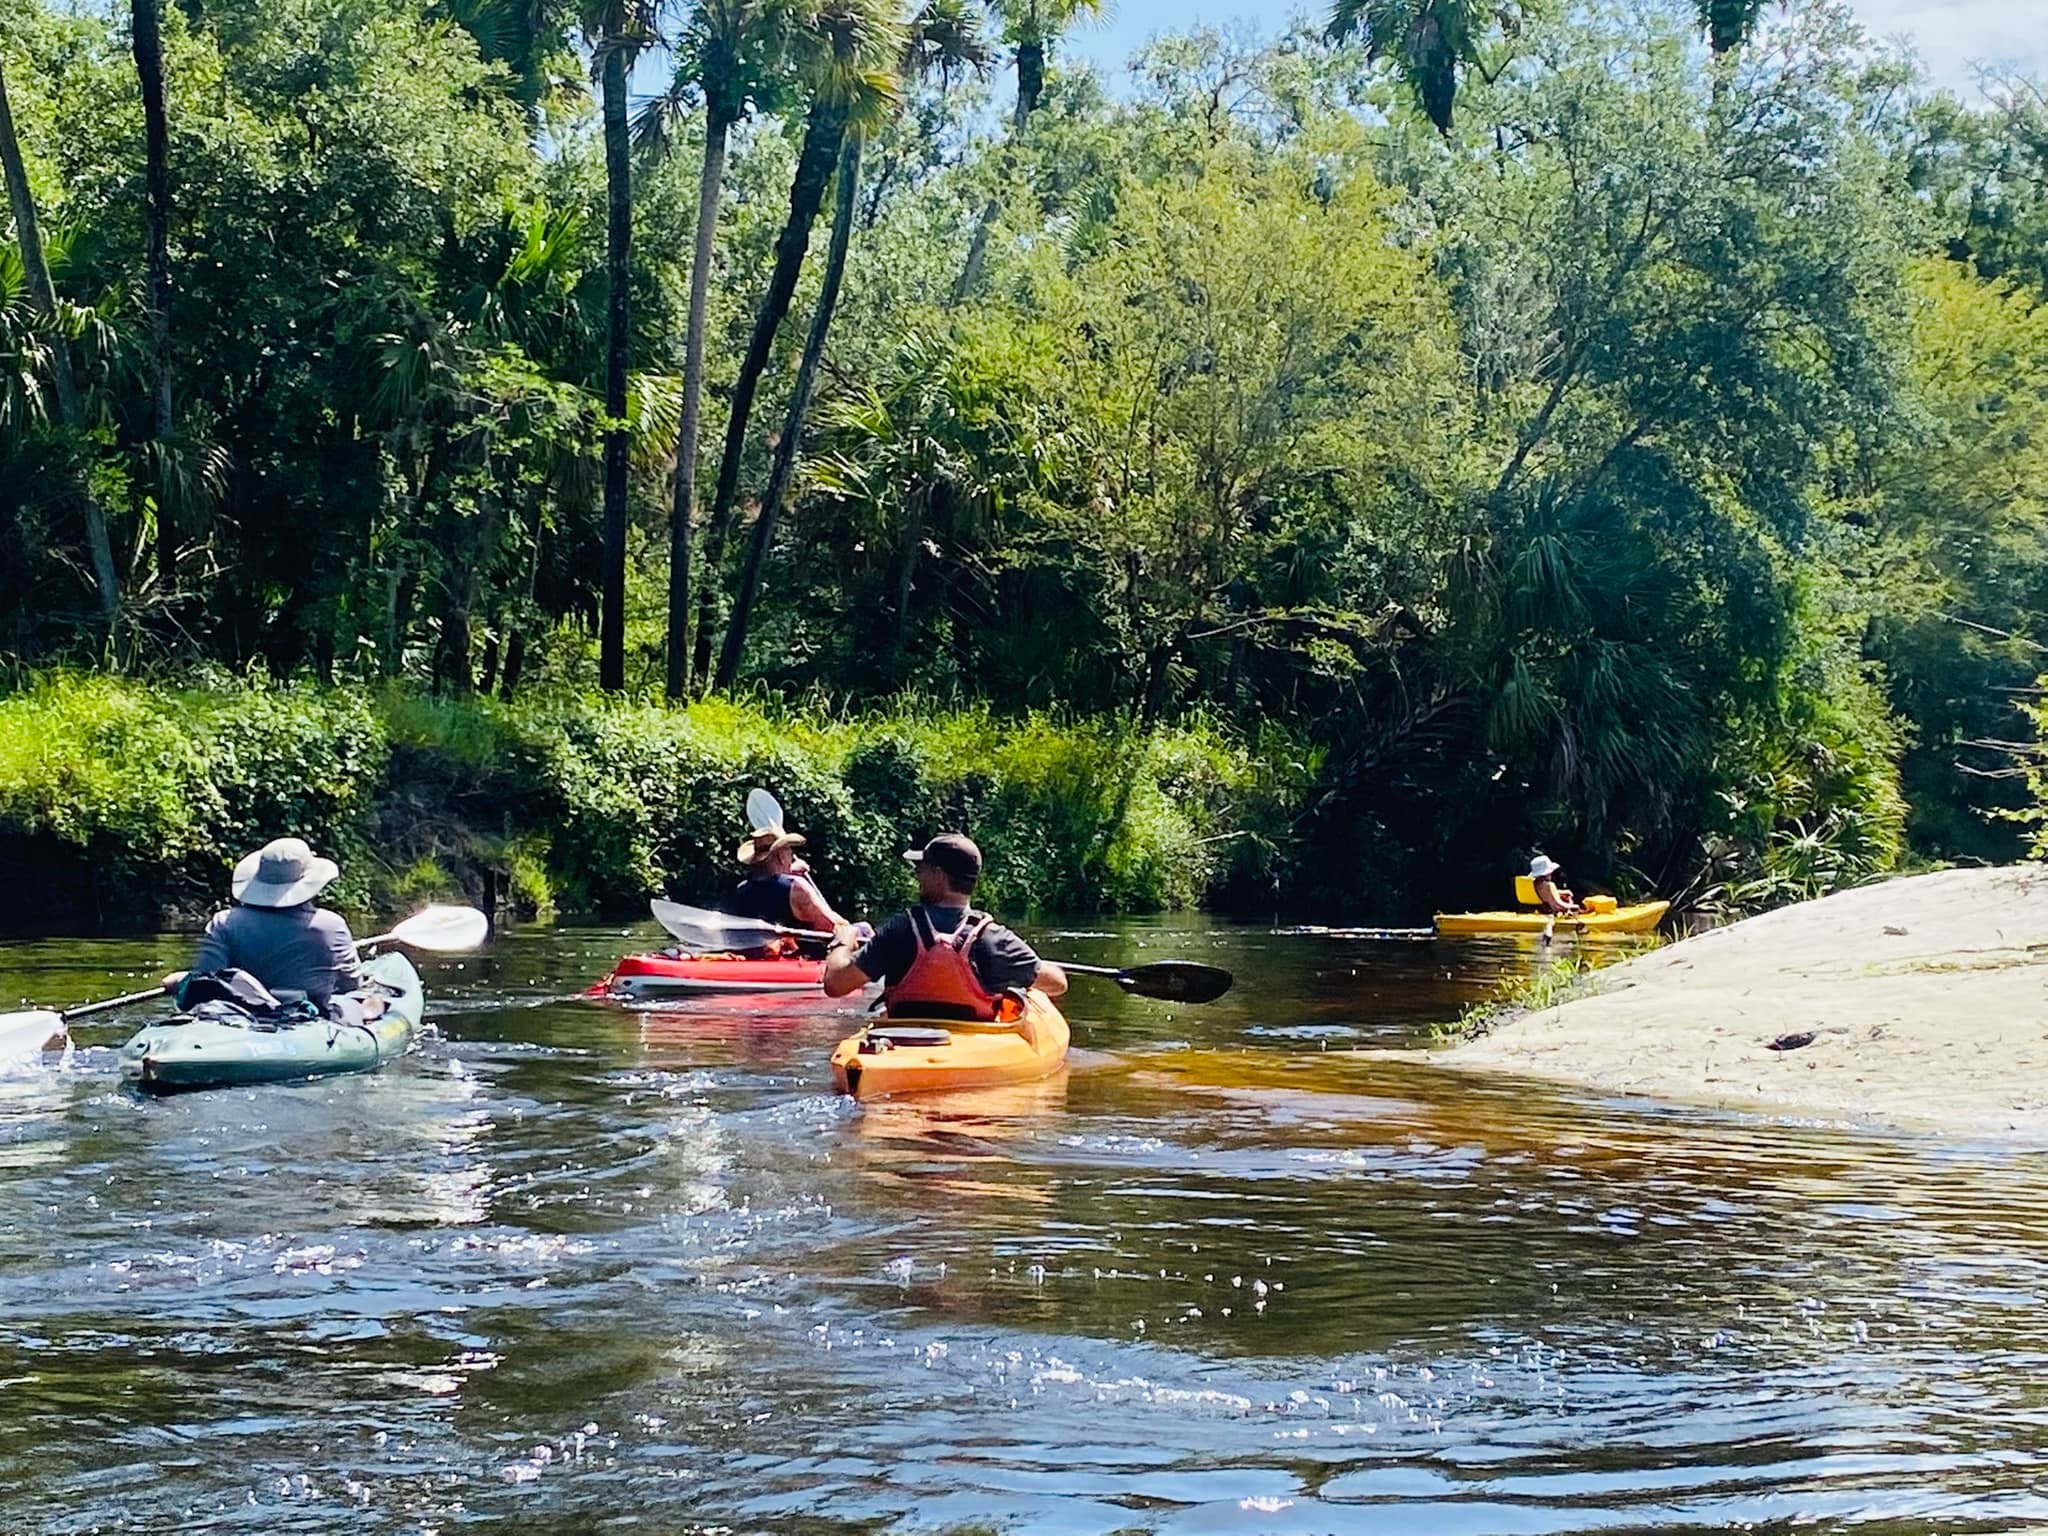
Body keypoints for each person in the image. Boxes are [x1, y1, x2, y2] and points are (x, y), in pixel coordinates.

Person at [822, 833, 1066, 1019]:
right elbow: (1057, 983)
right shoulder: (995, 938)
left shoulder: (900, 929)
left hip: (901, 1040)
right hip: (970, 1046)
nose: (917, 875)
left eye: (922, 868)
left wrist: (842, 942)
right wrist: (1028, 973)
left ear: (938, 875)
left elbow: (835, 984)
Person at [178, 837, 362, 1007]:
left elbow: (205, 979)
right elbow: (351, 984)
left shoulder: (224, 922)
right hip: (307, 1021)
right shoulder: (330, 926)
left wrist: (181, 981)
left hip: (237, 1019)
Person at [730, 822, 850, 936]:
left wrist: (790, 872)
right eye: (789, 852)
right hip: (803, 954)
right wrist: (845, 923)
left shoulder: (742, 889)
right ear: (781, 856)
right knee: (863, 928)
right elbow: (830, 926)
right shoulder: (796, 886)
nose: (791, 857)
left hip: (759, 954)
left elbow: (770, 884)